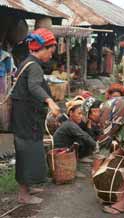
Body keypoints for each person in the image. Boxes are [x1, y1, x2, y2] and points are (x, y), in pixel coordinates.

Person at [11, 28, 60, 204]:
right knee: (27, 152)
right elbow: (33, 87)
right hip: (27, 119)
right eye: (50, 52)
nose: (51, 56)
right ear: (42, 48)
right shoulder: (34, 67)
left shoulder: (27, 62)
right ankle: (23, 195)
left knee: (29, 151)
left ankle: (29, 187)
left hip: (24, 117)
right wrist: (50, 101)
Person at [82, 96, 124, 214]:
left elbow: (102, 145)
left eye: (89, 117)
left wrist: (95, 172)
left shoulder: (105, 113)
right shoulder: (111, 106)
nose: (92, 121)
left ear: (94, 110)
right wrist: (119, 151)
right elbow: (123, 129)